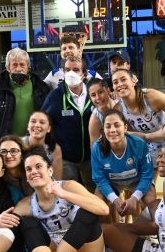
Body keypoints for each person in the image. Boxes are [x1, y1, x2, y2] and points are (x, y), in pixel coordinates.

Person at [0, 47, 50, 145]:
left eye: (22, 64)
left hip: (35, 144)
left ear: (28, 67)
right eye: (14, 65)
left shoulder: (41, 87)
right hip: (7, 146)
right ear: (8, 68)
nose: (18, 69)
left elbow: (49, 116)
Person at [42, 56, 95, 190]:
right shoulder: (55, 96)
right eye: (67, 70)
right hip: (66, 159)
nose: (71, 73)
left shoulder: (94, 94)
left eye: (76, 70)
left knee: (94, 192)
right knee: (67, 194)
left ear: (84, 74)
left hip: (92, 158)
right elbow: (42, 122)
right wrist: (51, 145)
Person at [91, 110, 156, 217]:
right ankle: (107, 227)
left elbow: (147, 175)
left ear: (125, 128)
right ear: (103, 130)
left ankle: (149, 226)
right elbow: (99, 179)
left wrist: (134, 198)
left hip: (137, 181)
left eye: (117, 125)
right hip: (112, 183)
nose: (112, 130)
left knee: (151, 201)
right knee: (97, 205)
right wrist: (115, 200)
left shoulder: (139, 144)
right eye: (108, 126)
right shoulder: (97, 148)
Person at [112, 68, 165, 166]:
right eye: (115, 82)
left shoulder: (152, 96)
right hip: (149, 145)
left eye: (123, 79)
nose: (119, 84)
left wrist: (156, 135)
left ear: (133, 81)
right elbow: (131, 135)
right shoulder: (118, 109)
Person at [20, 110, 63, 180]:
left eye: (42, 122)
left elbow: (57, 179)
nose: (37, 125)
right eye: (33, 121)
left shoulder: (54, 148)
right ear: (28, 126)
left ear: (49, 129)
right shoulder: (17, 143)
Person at [87, 78, 118, 145]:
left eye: (100, 92)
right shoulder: (95, 119)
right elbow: (94, 147)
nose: (98, 97)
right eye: (93, 95)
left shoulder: (121, 103)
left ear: (108, 90)